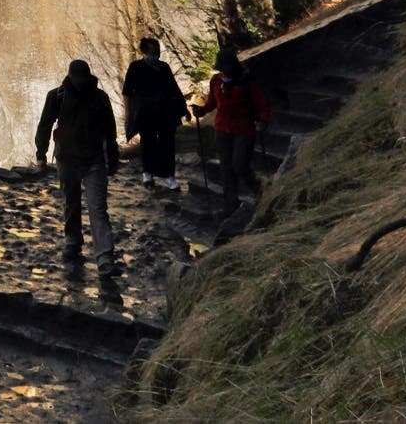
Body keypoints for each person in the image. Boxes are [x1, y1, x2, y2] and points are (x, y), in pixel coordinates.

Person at [34, 59, 120, 262]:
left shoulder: (100, 98)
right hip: (66, 160)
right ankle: (73, 243)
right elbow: (45, 125)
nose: (81, 82)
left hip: (94, 161)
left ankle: (104, 256)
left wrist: (113, 159)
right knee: (71, 204)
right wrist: (41, 154)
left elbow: (110, 131)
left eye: (84, 78)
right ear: (70, 77)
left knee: (98, 208)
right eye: (77, 79)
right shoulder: (57, 96)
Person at [193, 44, 271, 197]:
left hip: (244, 129)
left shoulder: (246, 82)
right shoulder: (216, 81)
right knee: (226, 169)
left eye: (225, 68)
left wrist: (262, 120)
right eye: (220, 68)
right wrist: (201, 110)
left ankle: (257, 188)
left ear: (233, 66)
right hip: (222, 130)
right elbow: (211, 102)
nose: (223, 71)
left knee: (240, 164)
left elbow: (263, 105)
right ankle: (230, 204)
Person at [122, 37, 189, 190]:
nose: (156, 55)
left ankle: (168, 175)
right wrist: (128, 113)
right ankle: (147, 173)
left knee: (168, 143)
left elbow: (174, 89)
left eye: (157, 51)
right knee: (148, 142)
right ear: (144, 52)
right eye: (152, 52)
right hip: (145, 111)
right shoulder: (135, 67)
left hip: (166, 111)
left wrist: (184, 108)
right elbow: (127, 92)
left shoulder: (164, 67)